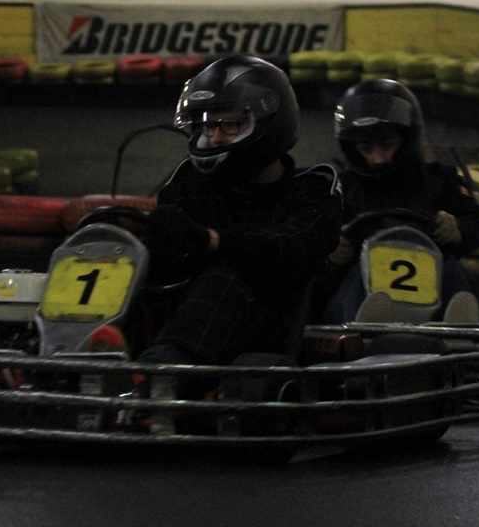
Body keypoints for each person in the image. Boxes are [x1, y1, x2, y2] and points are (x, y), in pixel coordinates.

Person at [132, 54, 343, 366]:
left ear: (270, 122)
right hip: (179, 318)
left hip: (262, 332)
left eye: (230, 124)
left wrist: (211, 240)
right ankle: (84, 356)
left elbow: (292, 248)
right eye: (208, 125)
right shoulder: (187, 187)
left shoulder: (312, 191)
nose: (215, 137)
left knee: (224, 277)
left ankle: (158, 370)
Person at [320, 78, 479, 324]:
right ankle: (366, 329)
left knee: (454, 271)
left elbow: (477, 225)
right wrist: (331, 251)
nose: (378, 158)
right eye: (366, 149)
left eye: (387, 145)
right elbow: (309, 247)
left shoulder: (439, 179)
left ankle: (458, 330)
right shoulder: (338, 189)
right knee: (355, 277)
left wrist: (457, 230)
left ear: (407, 139)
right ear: (352, 148)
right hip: (360, 282)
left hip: (433, 287)